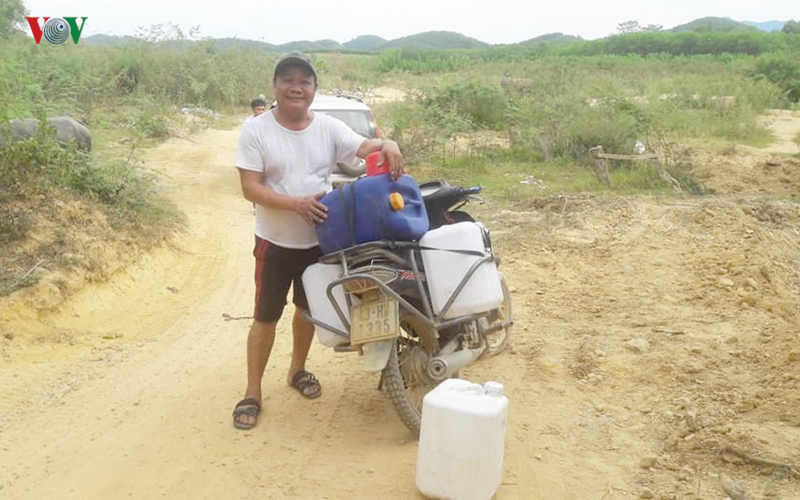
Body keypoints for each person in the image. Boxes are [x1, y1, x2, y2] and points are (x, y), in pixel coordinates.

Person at [232, 52, 404, 430]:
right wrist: (294, 204)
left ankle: (297, 370)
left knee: (307, 311)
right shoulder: (256, 130)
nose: (297, 86)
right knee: (265, 317)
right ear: (276, 87)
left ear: (313, 89)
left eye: (305, 81)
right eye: (288, 79)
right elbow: (249, 187)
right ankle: (252, 391)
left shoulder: (327, 127)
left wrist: (387, 144)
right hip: (274, 243)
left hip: (321, 242)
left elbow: (364, 148)